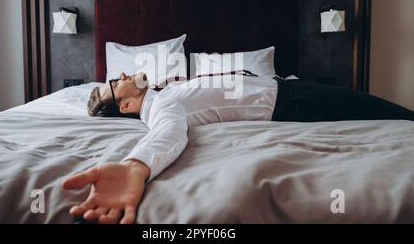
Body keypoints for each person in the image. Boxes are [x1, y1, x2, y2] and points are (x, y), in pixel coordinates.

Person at [62, 72, 414, 224]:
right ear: (124, 107)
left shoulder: (162, 93)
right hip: (294, 102)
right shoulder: (160, 106)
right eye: (113, 83)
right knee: (395, 116)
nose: (120, 75)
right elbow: (169, 132)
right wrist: (135, 166)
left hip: (289, 92)